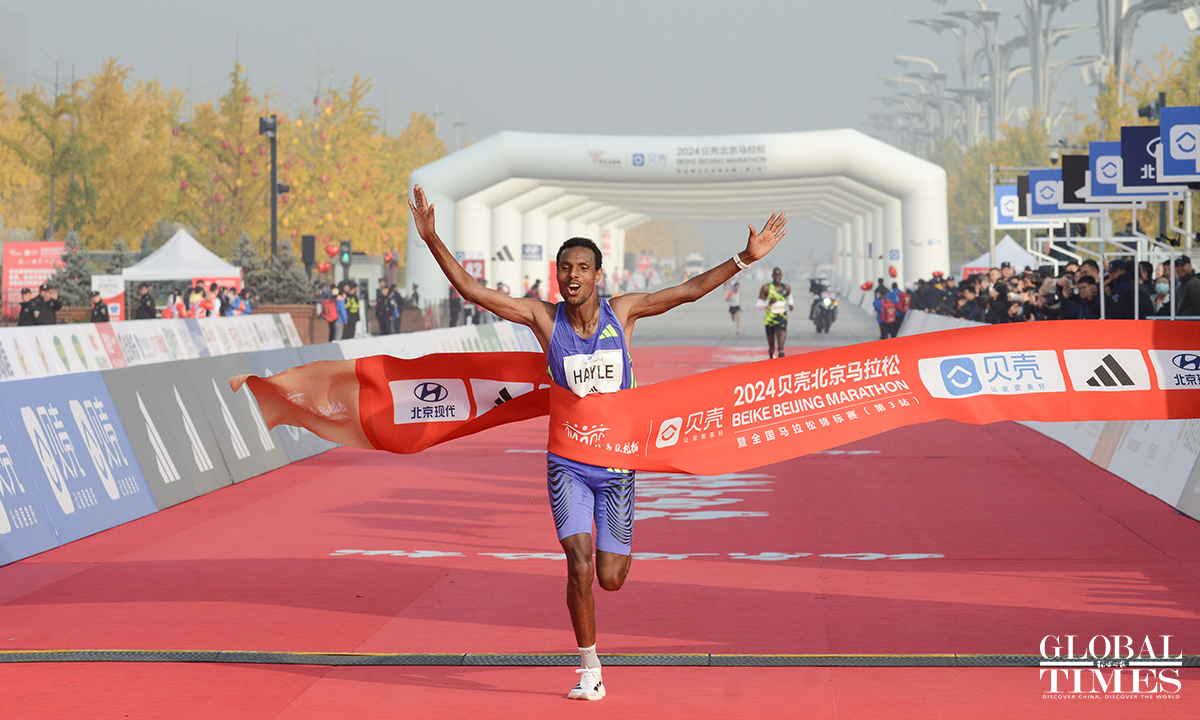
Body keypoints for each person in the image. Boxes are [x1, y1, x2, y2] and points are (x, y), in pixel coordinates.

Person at [409, 184, 786, 701]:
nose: (572, 276)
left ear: (597, 275)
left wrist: (745, 258)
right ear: (557, 275)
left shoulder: (622, 313)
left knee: (610, 578)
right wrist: (432, 239)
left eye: (582, 268)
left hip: (617, 467)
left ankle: (615, 558)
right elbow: (474, 292)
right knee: (579, 565)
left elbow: (687, 291)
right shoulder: (544, 318)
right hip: (567, 462)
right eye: (565, 268)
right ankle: (589, 667)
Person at [758, 268, 792, 358]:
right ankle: (771, 355)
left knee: (781, 346)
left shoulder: (786, 287)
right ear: (772, 275)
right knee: (772, 347)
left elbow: (790, 298)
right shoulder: (766, 288)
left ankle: (781, 354)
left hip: (781, 318)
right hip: (770, 320)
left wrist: (791, 305)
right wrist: (769, 303)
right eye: (775, 274)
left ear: (781, 276)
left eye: (779, 274)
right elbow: (758, 306)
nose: (777, 276)